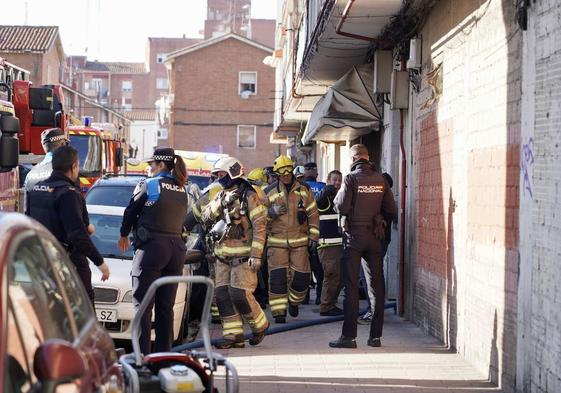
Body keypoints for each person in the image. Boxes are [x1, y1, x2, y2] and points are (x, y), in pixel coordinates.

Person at [118, 147, 188, 354]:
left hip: (151, 250)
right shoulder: (182, 188)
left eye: (151, 165)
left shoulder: (149, 184)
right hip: (175, 252)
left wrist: (123, 233)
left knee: (143, 307)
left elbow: (131, 210)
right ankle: (164, 356)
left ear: (161, 165)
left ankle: (142, 359)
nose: (148, 168)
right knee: (165, 308)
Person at [329, 144, 397, 349]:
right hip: (375, 237)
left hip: (354, 237)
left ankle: (348, 337)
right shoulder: (382, 180)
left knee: (351, 286)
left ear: (353, 159)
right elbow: (392, 209)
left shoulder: (351, 179)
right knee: (376, 286)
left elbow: (340, 206)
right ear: (367, 159)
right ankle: (375, 337)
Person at [27, 145, 110, 304]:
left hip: (41, 260)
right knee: (84, 306)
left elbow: (28, 222)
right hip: (68, 259)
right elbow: (77, 234)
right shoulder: (69, 193)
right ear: (73, 166)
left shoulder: (36, 189)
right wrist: (100, 263)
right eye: (78, 166)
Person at [202, 157, 269, 348]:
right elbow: (206, 216)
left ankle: (260, 325)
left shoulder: (250, 195)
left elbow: (260, 226)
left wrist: (256, 255)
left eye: (222, 174)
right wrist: (221, 204)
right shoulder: (221, 195)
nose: (219, 178)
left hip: (244, 257)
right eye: (217, 175)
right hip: (222, 256)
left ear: (233, 172)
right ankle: (233, 336)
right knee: (222, 295)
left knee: (239, 294)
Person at [264, 155, 320, 323]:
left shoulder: (304, 189)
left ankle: (294, 302)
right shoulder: (270, 192)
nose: (286, 176)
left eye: (288, 172)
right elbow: (259, 219)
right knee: (277, 279)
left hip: (300, 242)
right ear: (277, 174)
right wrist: (271, 213)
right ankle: (279, 313)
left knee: (302, 278)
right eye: (282, 174)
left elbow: (313, 214)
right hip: (277, 243)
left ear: (292, 170)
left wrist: (314, 236)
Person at [358, 172, 395, 325]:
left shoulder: (383, 200)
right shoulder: (386, 199)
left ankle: (373, 312)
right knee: (373, 276)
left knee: (371, 277)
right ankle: (374, 310)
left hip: (375, 241)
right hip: (376, 241)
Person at [316, 170, 344, 316]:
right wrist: (325, 192)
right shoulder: (324, 197)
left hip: (339, 245)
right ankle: (326, 307)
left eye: (339, 180)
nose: (337, 183)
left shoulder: (340, 198)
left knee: (339, 277)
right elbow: (316, 203)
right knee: (331, 276)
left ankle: (331, 304)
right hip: (327, 246)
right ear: (327, 181)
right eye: (334, 180)